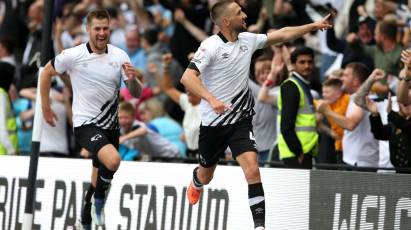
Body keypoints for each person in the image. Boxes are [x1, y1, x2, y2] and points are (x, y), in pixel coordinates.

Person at [180, 1, 332, 229]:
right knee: (206, 175)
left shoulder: (248, 40)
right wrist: (211, 99)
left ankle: (259, 226)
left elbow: (281, 34)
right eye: (239, 12)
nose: (244, 14)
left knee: (252, 170)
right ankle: (196, 181)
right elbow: (187, 78)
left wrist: (312, 25)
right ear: (226, 21)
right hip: (213, 124)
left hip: (241, 120)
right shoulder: (210, 46)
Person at [39, 9, 142, 229]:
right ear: (88, 30)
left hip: (111, 127)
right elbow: (46, 72)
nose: (102, 33)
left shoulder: (119, 55)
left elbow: (135, 93)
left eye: (105, 28)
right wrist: (45, 107)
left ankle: (84, 220)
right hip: (86, 124)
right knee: (113, 161)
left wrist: (133, 81)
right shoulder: (74, 55)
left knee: (97, 180)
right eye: (97, 28)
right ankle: (98, 204)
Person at [278, 47, 319, 169]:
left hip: (305, 150)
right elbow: (286, 126)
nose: (307, 66)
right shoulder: (292, 86)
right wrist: (298, 152)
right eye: (302, 62)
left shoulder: (302, 85)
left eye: (310, 62)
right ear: (294, 64)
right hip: (296, 153)